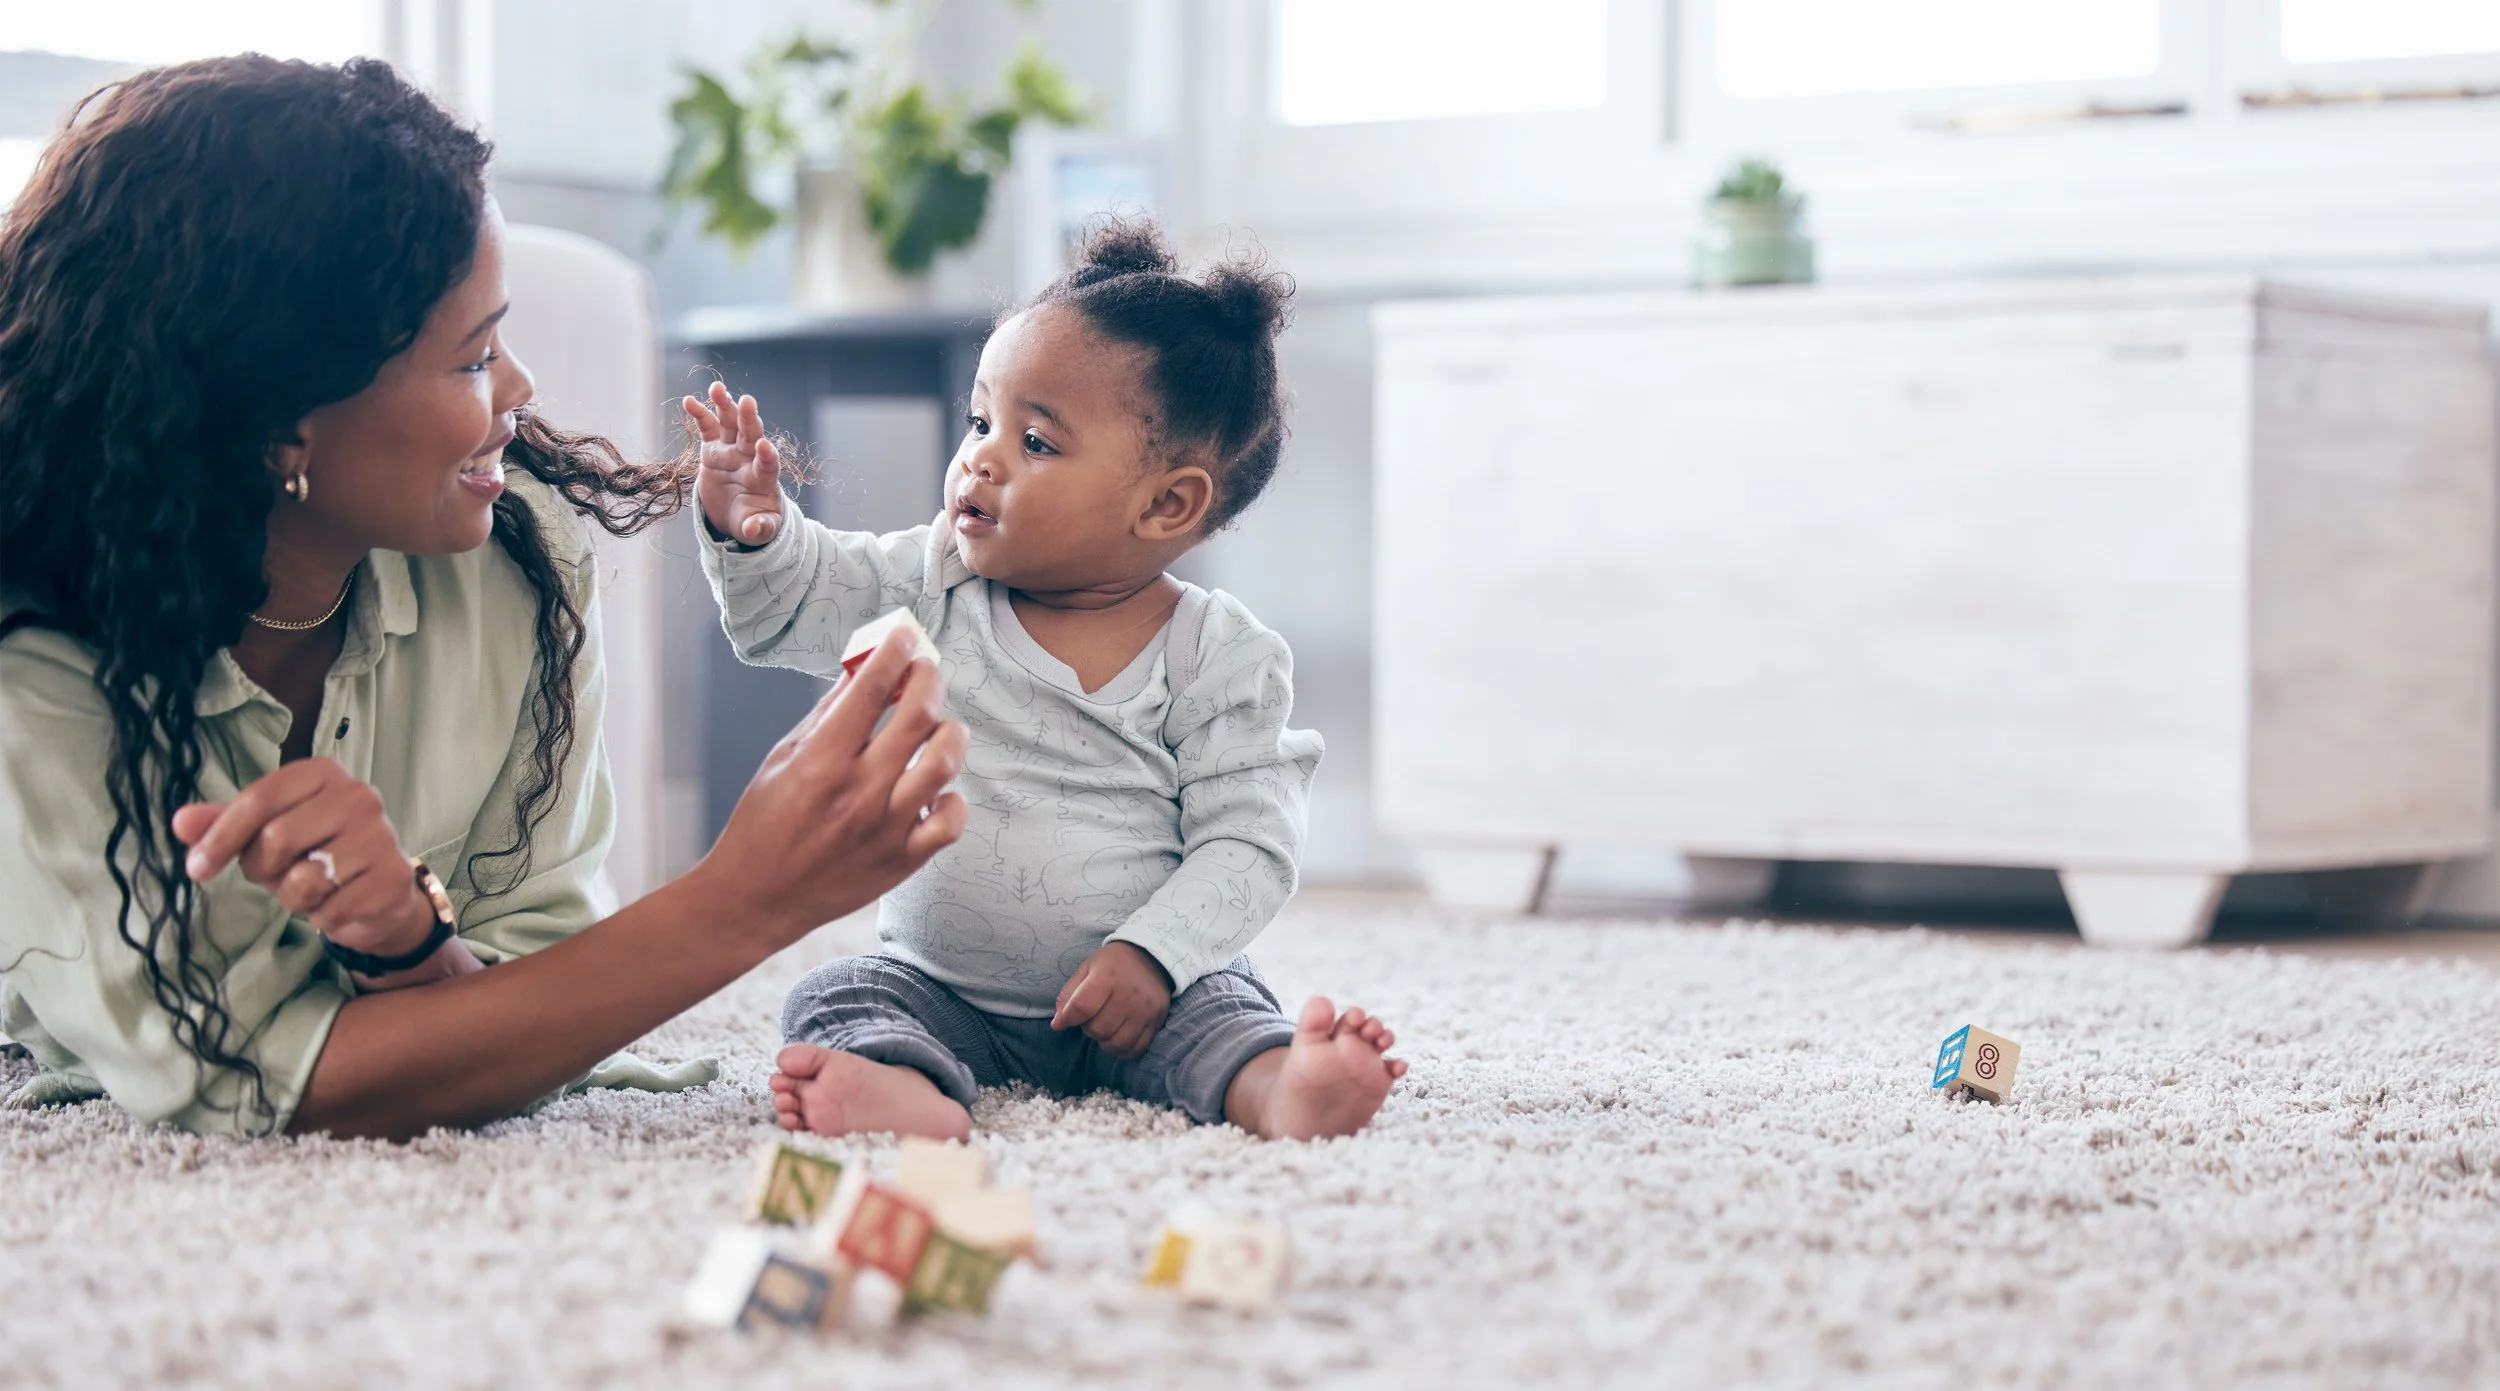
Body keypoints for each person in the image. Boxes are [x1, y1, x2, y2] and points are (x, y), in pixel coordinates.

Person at [0, 56, 967, 1140]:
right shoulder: (35, 662)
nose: (519, 390)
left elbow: (540, 991)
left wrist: (414, 941)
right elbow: (237, 1077)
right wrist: (748, 895)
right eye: (470, 360)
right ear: (279, 423)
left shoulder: (517, 567)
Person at [689, 220, 1407, 1143]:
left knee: (1225, 1018)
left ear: (1166, 503)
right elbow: (799, 606)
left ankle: (1281, 1089)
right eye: (980, 420)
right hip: (943, 987)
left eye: (1035, 441)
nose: (981, 457)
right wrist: (759, 532)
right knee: (839, 996)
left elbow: (1251, 843)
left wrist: (1154, 955)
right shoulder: (936, 575)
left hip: (1151, 996)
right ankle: (907, 1089)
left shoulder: (1218, 655)